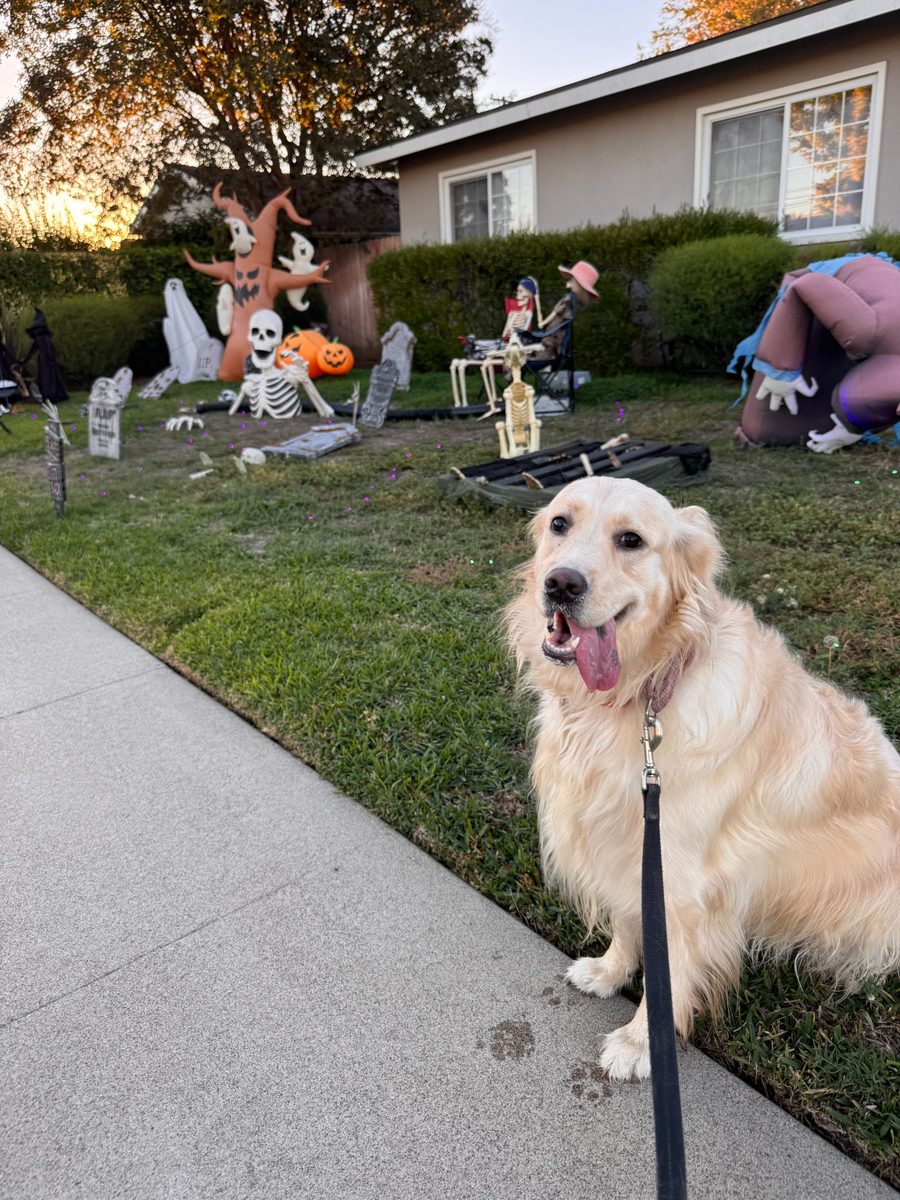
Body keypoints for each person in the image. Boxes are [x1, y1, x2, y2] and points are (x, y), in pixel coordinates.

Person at [449, 277, 540, 408]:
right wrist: (509, 332)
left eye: (521, 292)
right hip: (505, 344)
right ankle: (474, 346)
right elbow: (504, 335)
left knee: (491, 352)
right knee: (485, 346)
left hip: (517, 346)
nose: (518, 296)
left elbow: (524, 332)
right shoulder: (512, 314)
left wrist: (514, 333)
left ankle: (475, 348)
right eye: (517, 292)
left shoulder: (528, 313)